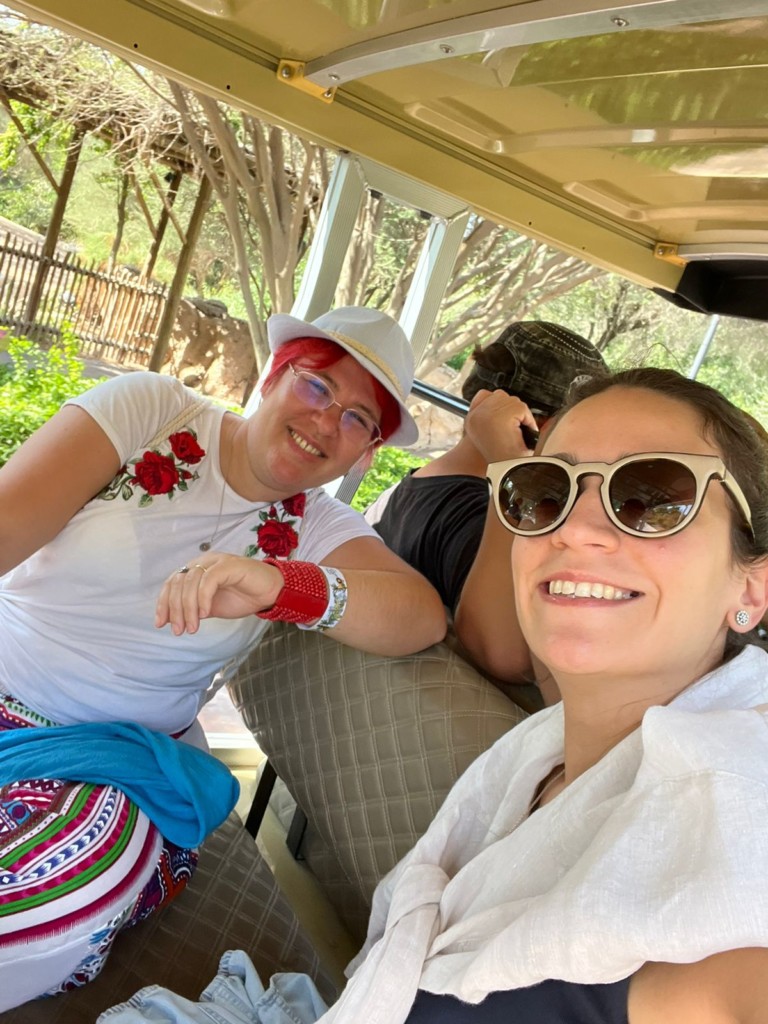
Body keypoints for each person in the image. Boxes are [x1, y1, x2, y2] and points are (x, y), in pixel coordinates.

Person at [104, 366, 768, 1024]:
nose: (574, 529)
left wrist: (284, 584)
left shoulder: (736, 837)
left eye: (654, 498)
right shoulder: (539, 760)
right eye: (542, 490)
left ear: (752, 590)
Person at [0, 305, 446, 1010]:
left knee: (52, 903)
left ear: (366, 455)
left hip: (112, 762)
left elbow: (418, 616)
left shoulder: (317, 527)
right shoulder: (151, 408)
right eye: (318, 387)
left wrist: (281, 584)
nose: (328, 422)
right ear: (274, 374)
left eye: (360, 418)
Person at [366, 321, 605, 694]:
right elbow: (504, 656)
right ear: (534, 426)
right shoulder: (478, 514)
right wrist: (512, 474)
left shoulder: (412, 487)